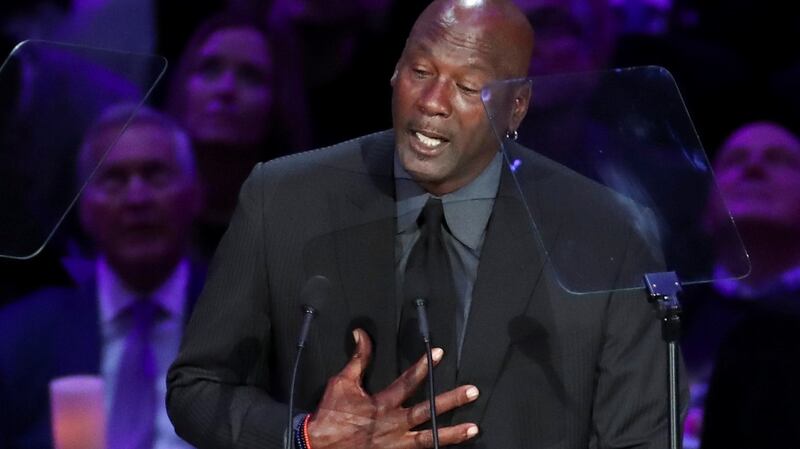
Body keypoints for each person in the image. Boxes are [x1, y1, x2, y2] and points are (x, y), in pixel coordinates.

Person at [167, 1, 677, 448]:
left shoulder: (607, 231)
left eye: (467, 85)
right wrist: (301, 436)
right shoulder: (282, 197)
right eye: (420, 71)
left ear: (516, 105)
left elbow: (640, 438)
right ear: (393, 72)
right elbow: (198, 388)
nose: (431, 103)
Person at [0, 104, 204, 449]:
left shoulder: (250, 325)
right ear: (84, 206)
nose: (136, 198)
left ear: (195, 194)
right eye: (113, 179)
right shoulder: (19, 336)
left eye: (155, 175)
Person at [679, 122, 800, 448]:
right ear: (706, 208)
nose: (753, 167)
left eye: (779, 160)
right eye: (735, 161)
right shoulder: (665, 315)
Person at [167, 14, 308, 256]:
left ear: (279, 100)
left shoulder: (303, 223)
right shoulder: (144, 214)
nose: (226, 89)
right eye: (209, 69)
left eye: (250, 76)